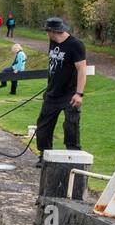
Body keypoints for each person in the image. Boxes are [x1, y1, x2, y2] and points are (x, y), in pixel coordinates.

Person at [35, 16, 87, 164]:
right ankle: (44, 155)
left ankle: (74, 154)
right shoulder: (53, 42)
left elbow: (82, 69)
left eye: (47, 31)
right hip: (52, 92)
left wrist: (79, 93)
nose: (46, 33)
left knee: (71, 123)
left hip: (70, 93)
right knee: (44, 124)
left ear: (53, 31)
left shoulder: (75, 45)